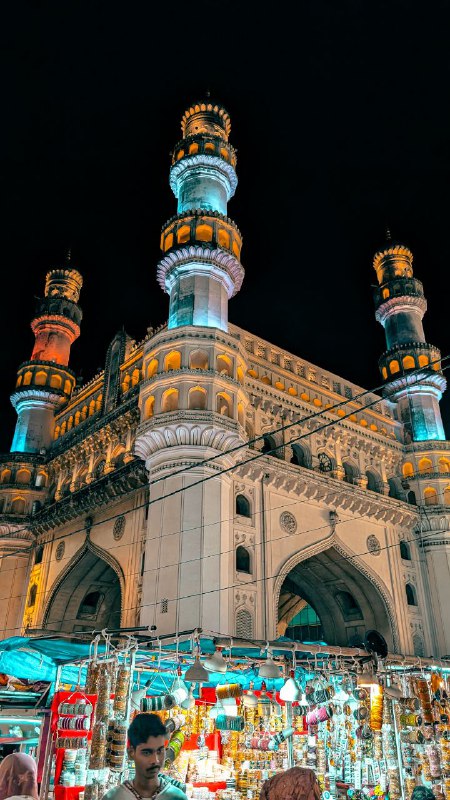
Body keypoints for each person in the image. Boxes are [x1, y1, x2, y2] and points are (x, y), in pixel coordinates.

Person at [102, 713, 187, 800]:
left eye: (159, 751)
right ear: (131, 753)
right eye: (147, 752)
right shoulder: (113, 797)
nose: (155, 760)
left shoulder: (177, 797)